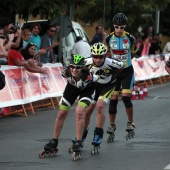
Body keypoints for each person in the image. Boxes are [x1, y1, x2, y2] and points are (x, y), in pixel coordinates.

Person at [40, 54, 99, 160]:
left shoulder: (88, 75)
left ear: (83, 68)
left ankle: (78, 142)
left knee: (79, 112)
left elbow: (97, 79)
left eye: (78, 67)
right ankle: (54, 141)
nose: (75, 70)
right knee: (61, 113)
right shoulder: (65, 72)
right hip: (71, 89)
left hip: (87, 90)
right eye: (72, 66)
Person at [69, 43, 123, 153]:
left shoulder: (111, 62)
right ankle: (82, 136)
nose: (97, 60)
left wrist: (113, 73)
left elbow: (121, 66)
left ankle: (98, 135)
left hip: (108, 86)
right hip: (94, 86)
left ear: (105, 56)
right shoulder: (86, 62)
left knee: (100, 106)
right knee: (87, 111)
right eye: (95, 57)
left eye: (100, 57)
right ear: (92, 56)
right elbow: (77, 71)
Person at [105, 13, 137, 141]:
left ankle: (130, 122)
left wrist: (125, 63)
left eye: (122, 27)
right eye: (117, 27)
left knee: (125, 97)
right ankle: (112, 125)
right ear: (113, 26)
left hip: (127, 71)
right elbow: (107, 54)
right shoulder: (108, 39)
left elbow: (133, 53)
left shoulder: (130, 38)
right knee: (112, 100)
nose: (119, 30)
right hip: (114, 72)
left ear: (125, 27)